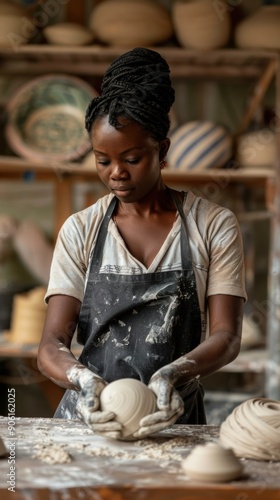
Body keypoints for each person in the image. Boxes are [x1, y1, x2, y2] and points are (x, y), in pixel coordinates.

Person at [37, 47, 246, 440]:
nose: (116, 173)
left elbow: (227, 337)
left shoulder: (213, 225)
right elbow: (51, 344)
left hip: (172, 419)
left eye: (132, 158)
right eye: (102, 160)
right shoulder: (81, 229)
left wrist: (173, 373)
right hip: (91, 418)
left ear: (162, 151)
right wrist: (81, 380)